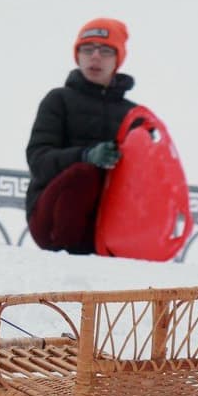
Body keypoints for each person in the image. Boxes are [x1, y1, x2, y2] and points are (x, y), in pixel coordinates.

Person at [25, 17, 141, 255]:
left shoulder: (133, 115)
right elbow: (38, 160)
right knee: (84, 174)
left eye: (106, 50)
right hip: (52, 220)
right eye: (88, 49)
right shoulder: (58, 100)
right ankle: (75, 260)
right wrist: (86, 156)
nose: (95, 56)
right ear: (77, 56)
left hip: (108, 223)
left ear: (118, 59)